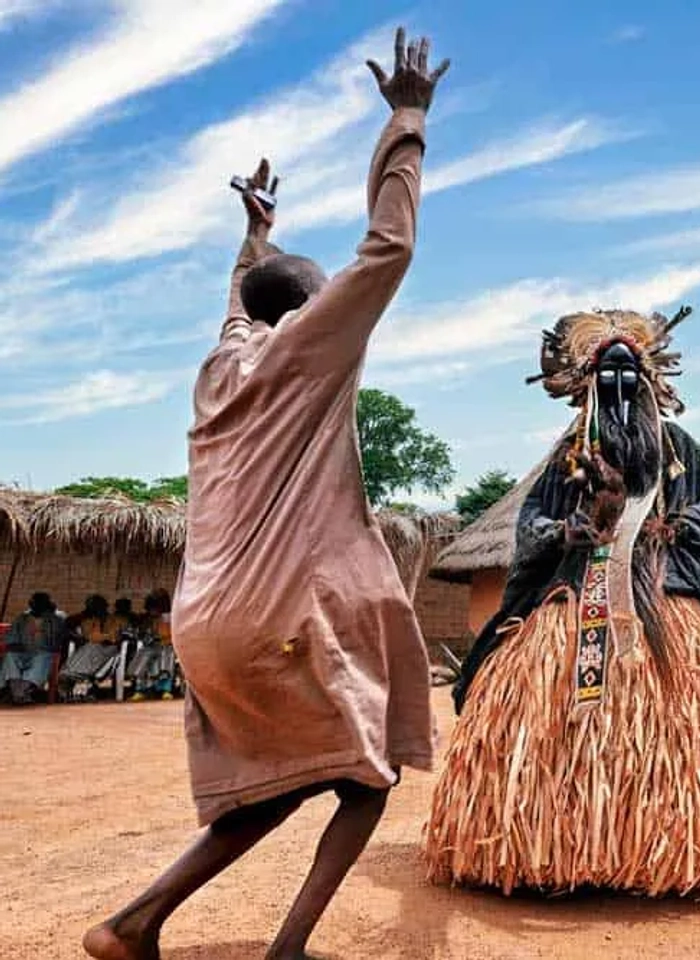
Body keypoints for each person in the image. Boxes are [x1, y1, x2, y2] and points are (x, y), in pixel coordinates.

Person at [83, 29, 449, 960]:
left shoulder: (224, 364)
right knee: (365, 784)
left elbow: (238, 302)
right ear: (309, 312)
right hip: (272, 614)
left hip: (202, 619)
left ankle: (138, 924)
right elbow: (389, 247)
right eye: (323, 298)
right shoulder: (304, 357)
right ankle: (277, 950)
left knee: (297, 778)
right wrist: (406, 119)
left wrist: (255, 231)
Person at [425, 307, 700, 896]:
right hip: (577, 589)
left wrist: (673, 528)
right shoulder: (569, 452)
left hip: (673, 585)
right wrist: (570, 531)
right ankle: (556, 844)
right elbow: (536, 520)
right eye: (608, 378)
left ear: (652, 384)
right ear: (587, 387)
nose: (620, 389)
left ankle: (693, 846)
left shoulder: (677, 446)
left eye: (631, 377)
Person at [59, 595, 125, 702]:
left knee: (92, 648)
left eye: (98, 607)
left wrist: (102, 637)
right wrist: (100, 631)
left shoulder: (114, 620)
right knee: (88, 648)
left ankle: (76, 676)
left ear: (104, 607)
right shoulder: (87, 621)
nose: (96, 610)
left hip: (110, 650)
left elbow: (113, 638)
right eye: (93, 607)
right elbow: (91, 637)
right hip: (92, 648)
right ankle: (73, 677)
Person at [1, 592, 63, 705]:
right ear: (31, 604)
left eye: (41, 603)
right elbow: (11, 639)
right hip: (22, 651)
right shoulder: (21, 618)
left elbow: (58, 641)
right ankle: (20, 693)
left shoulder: (55, 620)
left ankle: (20, 692)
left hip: (43, 653)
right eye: (36, 603)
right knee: (10, 656)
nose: (38, 606)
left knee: (43, 658)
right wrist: (16, 646)